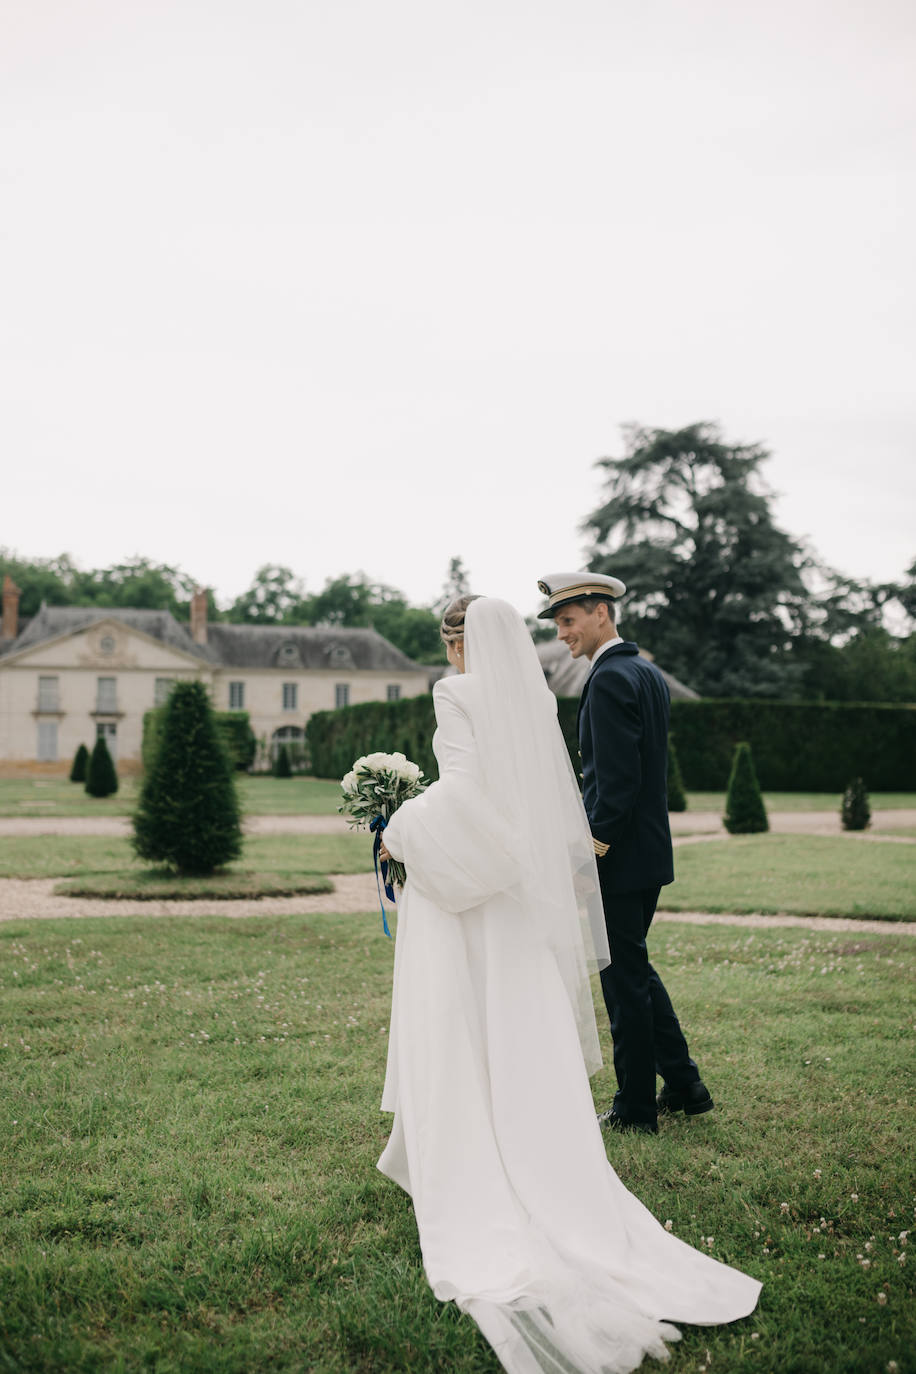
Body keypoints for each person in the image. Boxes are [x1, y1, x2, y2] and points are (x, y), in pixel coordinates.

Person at [377, 594, 760, 1374]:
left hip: (481, 889)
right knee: (529, 1014)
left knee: (473, 1015)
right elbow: (529, 799)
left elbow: (466, 793)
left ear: (455, 644)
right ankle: (575, 1129)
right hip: (521, 890)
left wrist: (399, 825)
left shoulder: (457, 691)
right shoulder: (535, 698)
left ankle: (478, 1142)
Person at [537, 571, 713, 1135]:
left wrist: (588, 856)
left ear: (600, 614)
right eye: (559, 623)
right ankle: (684, 1085)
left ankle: (635, 1108)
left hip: (617, 857)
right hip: (646, 854)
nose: (563, 634)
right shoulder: (644, 671)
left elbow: (614, 785)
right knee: (633, 969)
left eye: (568, 621)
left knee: (622, 981)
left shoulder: (611, 678)